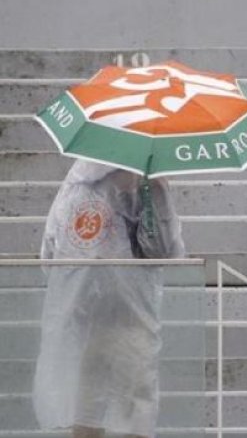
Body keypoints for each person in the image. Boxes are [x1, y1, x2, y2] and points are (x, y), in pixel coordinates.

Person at [33, 160, 186, 438]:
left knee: (89, 410)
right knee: (117, 411)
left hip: (86, 316)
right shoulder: (139, 182)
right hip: (127, 318)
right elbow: (163, 250)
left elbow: (50, 251)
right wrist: (152, 193)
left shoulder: (75, 183)